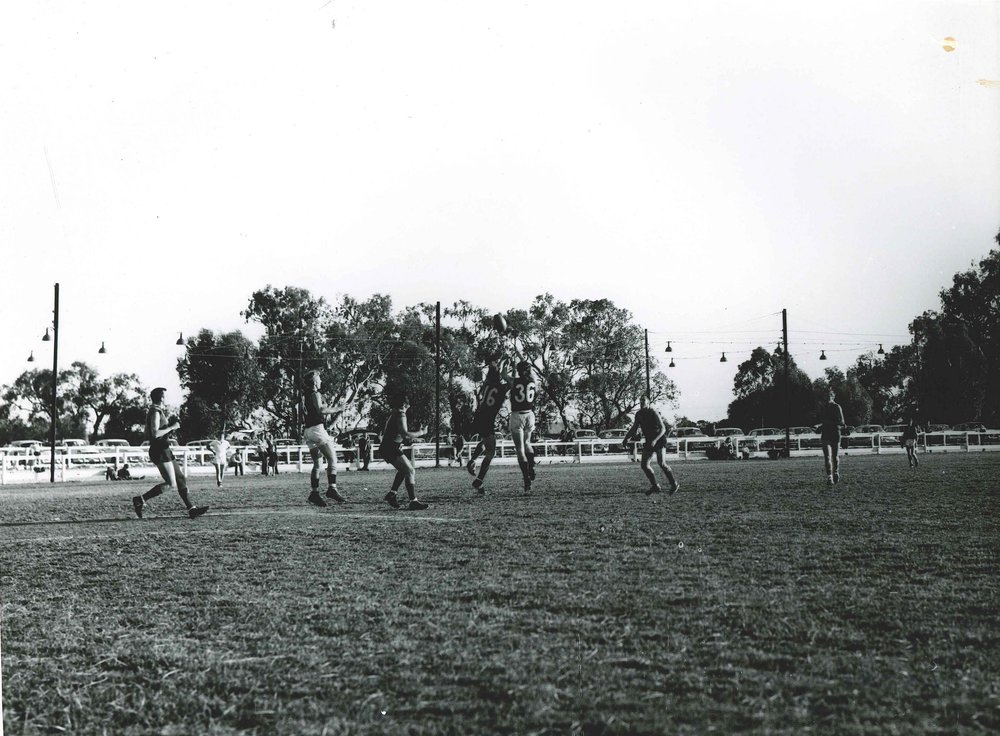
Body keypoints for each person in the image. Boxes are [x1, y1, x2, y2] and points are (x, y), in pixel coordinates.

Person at [132, 387, 208, 519]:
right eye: (165, 395)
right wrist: (172, 427)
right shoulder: (155, 412)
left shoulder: (158, 410)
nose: (166, 397)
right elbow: (155, 433)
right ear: (161, 398)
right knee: (171, 484)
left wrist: (170, 428)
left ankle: (191, 509)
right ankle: (140, 499)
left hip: (164, 448)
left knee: (180, 478)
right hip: (159, 449)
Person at [302, 369, 348, 507]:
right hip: (317, 429)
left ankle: (314, 493)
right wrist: (338, 408)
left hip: (308, 431)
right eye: (319, 378)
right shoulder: (315, 393)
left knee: (317, 464)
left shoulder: (306, 394)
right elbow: (321, 410)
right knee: (332, 459)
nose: (321, 380)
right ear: (315, 381)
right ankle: (332, 489)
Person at [466, 357, 511, 492]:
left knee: (484, 441)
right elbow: (510, 381)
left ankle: (472, 460)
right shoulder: (501, 387)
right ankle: (479, 481)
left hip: (479, 416)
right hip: (487, 419)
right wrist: (509, 367)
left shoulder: (487, 384)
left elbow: (491, 375)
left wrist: (500, 363)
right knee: (491, 453)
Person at [621, 396, 679, 495]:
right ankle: (655, 486)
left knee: (661, 463)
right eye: (640, 401)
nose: (641, 402)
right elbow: (634, 428)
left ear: (648, 403)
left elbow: (663, 429)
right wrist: (626, 438)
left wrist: (655, 440)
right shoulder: (639, 414)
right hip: (649, 441)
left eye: (643, 401)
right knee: (644, 465)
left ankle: (674, 484)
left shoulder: (653, 412)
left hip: (659, 440)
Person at [380, 395, 429, 510]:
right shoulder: (401, 414)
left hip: (389, 447)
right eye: (408, 404)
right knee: (410, 471)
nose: (409, 406)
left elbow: (398, 435)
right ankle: (413, 501)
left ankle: (392, 494)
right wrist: (421, 432)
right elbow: (405, 434)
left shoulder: (394, 414)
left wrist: (413, 437)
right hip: (390, 447)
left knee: (404, 470)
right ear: (405, 405)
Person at [508, 360, 538, 491]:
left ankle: (526, 479)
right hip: (529, 414)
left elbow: (503, 374)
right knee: (527, 443)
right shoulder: (533, 380)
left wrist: (505, 362)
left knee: (520, 449)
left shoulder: (514, 381)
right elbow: (531, 371)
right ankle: (531, 466)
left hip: (517, 415)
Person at [820, 389, 846, 485]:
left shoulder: (837, 407)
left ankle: (836, 472)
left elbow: (842, 422)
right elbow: (823, 421)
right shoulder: (823, 408)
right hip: (825, 433)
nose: (827, 398)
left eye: (829, 396)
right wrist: (819, 426)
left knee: (835, 457)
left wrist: (829, 423)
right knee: (827, 457)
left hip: (835, 433)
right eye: (825, 396)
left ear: (833, 396)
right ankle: (829, 478)